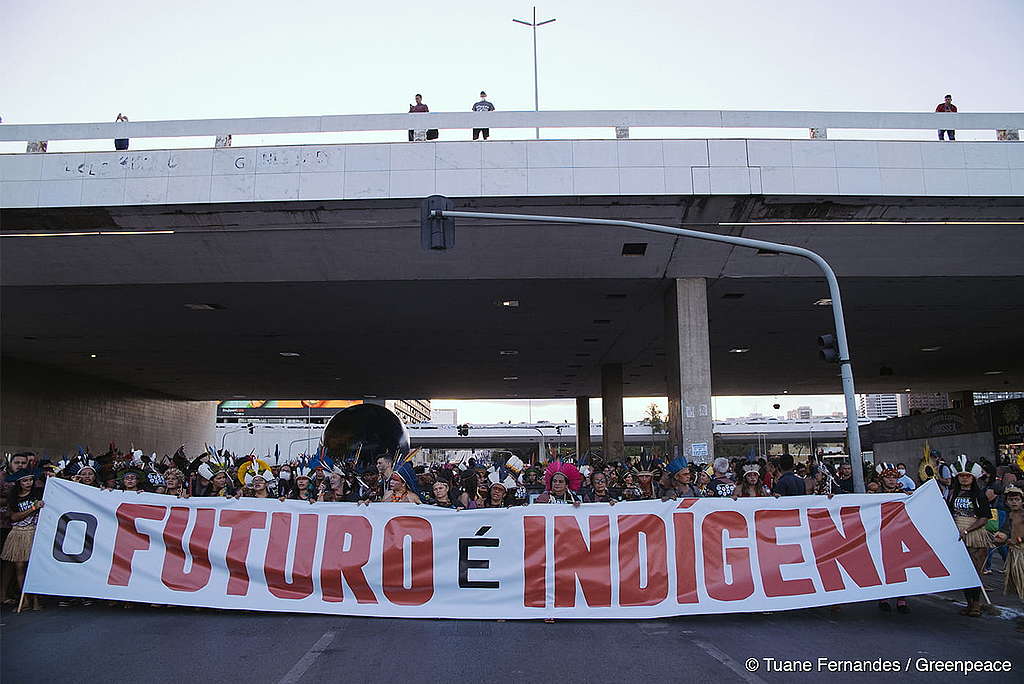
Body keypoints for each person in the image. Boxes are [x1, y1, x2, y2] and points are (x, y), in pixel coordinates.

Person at [947, 455, 993, 617]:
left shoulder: (979, 495)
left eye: (967, 476)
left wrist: (967, 530)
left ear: (973, 477)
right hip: (958, 535)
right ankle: (968, 603)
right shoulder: (953, 494)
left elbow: (984, 517)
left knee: (974, 572)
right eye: (961, 476)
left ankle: (976, 605)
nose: (964, 479)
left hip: (974, 535)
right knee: (963, 572)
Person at [1, 470, 43, 611]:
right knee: (19, 567)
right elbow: (13, 517)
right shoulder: (13, 497)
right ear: (19, 483)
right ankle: (24, 599)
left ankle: (36, 599)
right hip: (19, 534)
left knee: (33, 567)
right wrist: (33, 508)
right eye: (25, 481)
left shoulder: (38, 493)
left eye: (30, 480)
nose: (28, 483)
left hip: (34, 532)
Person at [873, 463, 913, 614]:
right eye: (888, 477)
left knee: (900, 567)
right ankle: (883, 597)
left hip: (899, 534)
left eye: (894, 477)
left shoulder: (904, 494)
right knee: (882, 566)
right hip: (880, 534)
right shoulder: (872, 495)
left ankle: (901, 599)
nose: (891, 480)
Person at [993, 485, 1024, 632]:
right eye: (1011, 499)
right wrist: (1001, 536)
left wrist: (1019, 539)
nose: (1014, 502)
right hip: (1015, 554)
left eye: (1017, 499)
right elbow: (1005, 531)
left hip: (1022, 552)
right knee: (1021, 588)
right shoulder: (1010, 515)